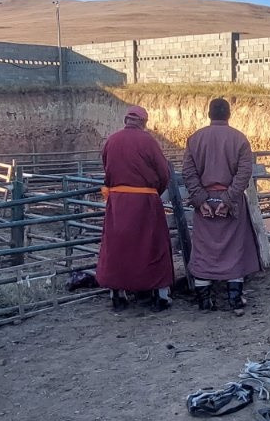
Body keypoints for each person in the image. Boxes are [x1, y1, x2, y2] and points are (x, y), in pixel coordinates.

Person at [182, 98, 261, 315]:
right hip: (231, 204)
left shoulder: (195, 139)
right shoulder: (240, 139)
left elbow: (188, 173)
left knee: (204, 251)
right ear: (229, 114)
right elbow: (244, 173)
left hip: (204, 204)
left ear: (209, 114)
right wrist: (228, 199)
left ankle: (205, 301)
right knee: (234, 250)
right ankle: (235, 300)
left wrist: (201, 200)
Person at [96, 105, 174, 311]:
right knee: (153, 245)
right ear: (142, 122)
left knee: (117, 247)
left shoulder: (111, 141)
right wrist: (155, 190)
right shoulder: (148, 141)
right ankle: (161, 295)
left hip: (119, 202)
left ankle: (117, 293)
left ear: (126, 120)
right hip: (145, 201)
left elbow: (107, 168)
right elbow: (163, 172)